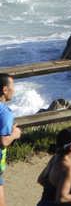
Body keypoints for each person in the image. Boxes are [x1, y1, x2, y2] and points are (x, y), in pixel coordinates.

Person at [35, 128, 71, 204]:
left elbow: (41, 180)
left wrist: (67, 191)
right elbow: (62, 198)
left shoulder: (55, 158)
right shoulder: (67, 168)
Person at [0, 73, 21, 206]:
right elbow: (2, 142)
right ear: (5, 90)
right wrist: (14, 134)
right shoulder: (6, 113)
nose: (15, 89)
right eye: (13, 85)